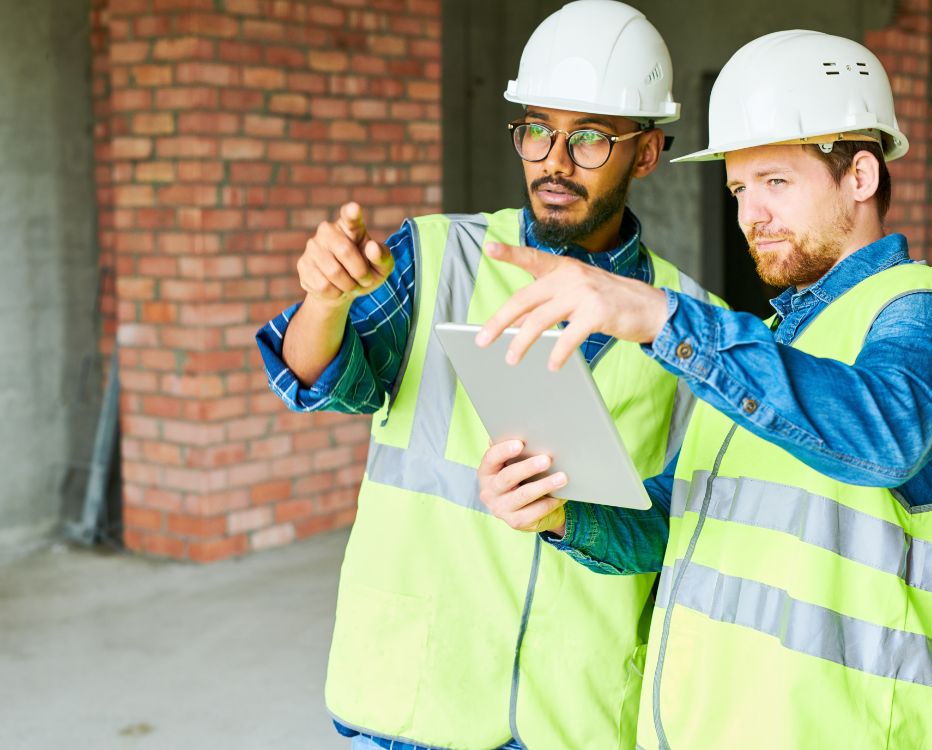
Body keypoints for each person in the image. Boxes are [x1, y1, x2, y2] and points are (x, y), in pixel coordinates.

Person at [476, 29, 932, 749]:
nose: (750, 214)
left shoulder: (926, 313)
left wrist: (661, 316)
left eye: (777, 182)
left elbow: (883, 439)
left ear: (860, 176)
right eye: (739, 188)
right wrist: (559, 517)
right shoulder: (765, 341)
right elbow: (682, 522)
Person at [256, 2, 716, 748]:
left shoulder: (690, 321)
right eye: (537, 129)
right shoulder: (440, 255)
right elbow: (320, 380)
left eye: (590, 138)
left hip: (578, 716)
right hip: (416, 705)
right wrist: (323, 301)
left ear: (648, 152)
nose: (554, 162)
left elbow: (680, 528)